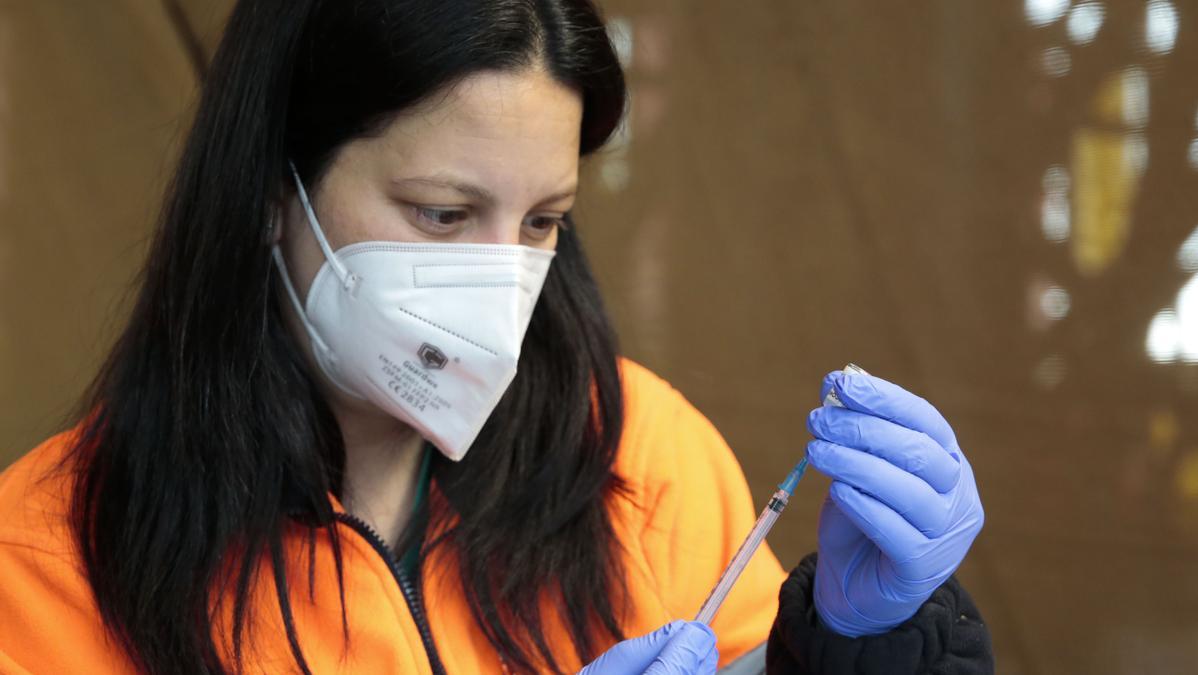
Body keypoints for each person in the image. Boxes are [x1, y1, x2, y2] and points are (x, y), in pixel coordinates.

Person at [0, 1, 990, 673]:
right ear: (271, 193)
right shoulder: (43, 573)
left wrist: (860, 644)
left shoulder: (642, 457)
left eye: (542, 221)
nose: (500, 275)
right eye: (442, 213)